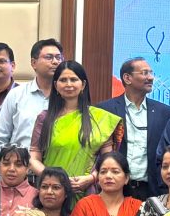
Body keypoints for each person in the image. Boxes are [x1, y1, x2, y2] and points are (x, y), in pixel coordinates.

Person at [30, 61, 121, 202]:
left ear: (83, 85)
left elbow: (108, 161)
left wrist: (91, 178)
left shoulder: (100, 119)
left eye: (73, 79)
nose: (68, 84)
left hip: (87, 192)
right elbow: (33, 158)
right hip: (52, 192)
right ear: (56, 85)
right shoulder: (45, 118)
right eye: (63, 80)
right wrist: (55, 178)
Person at [96, 57, 170, 200]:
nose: (150, 77)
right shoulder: (105, 110)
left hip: (152, 191)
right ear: (127, 78)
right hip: (115, 190)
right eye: (144, 73)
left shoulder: (164, 112)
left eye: (151, 73)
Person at [0, 40, 64, 182]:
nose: (55, 62)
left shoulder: (67, 97)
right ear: (33, 63)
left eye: (58, 57)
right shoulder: (16, 95)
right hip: (20, 176)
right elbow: (0, 139)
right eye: (49, 57)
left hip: (58, 178)